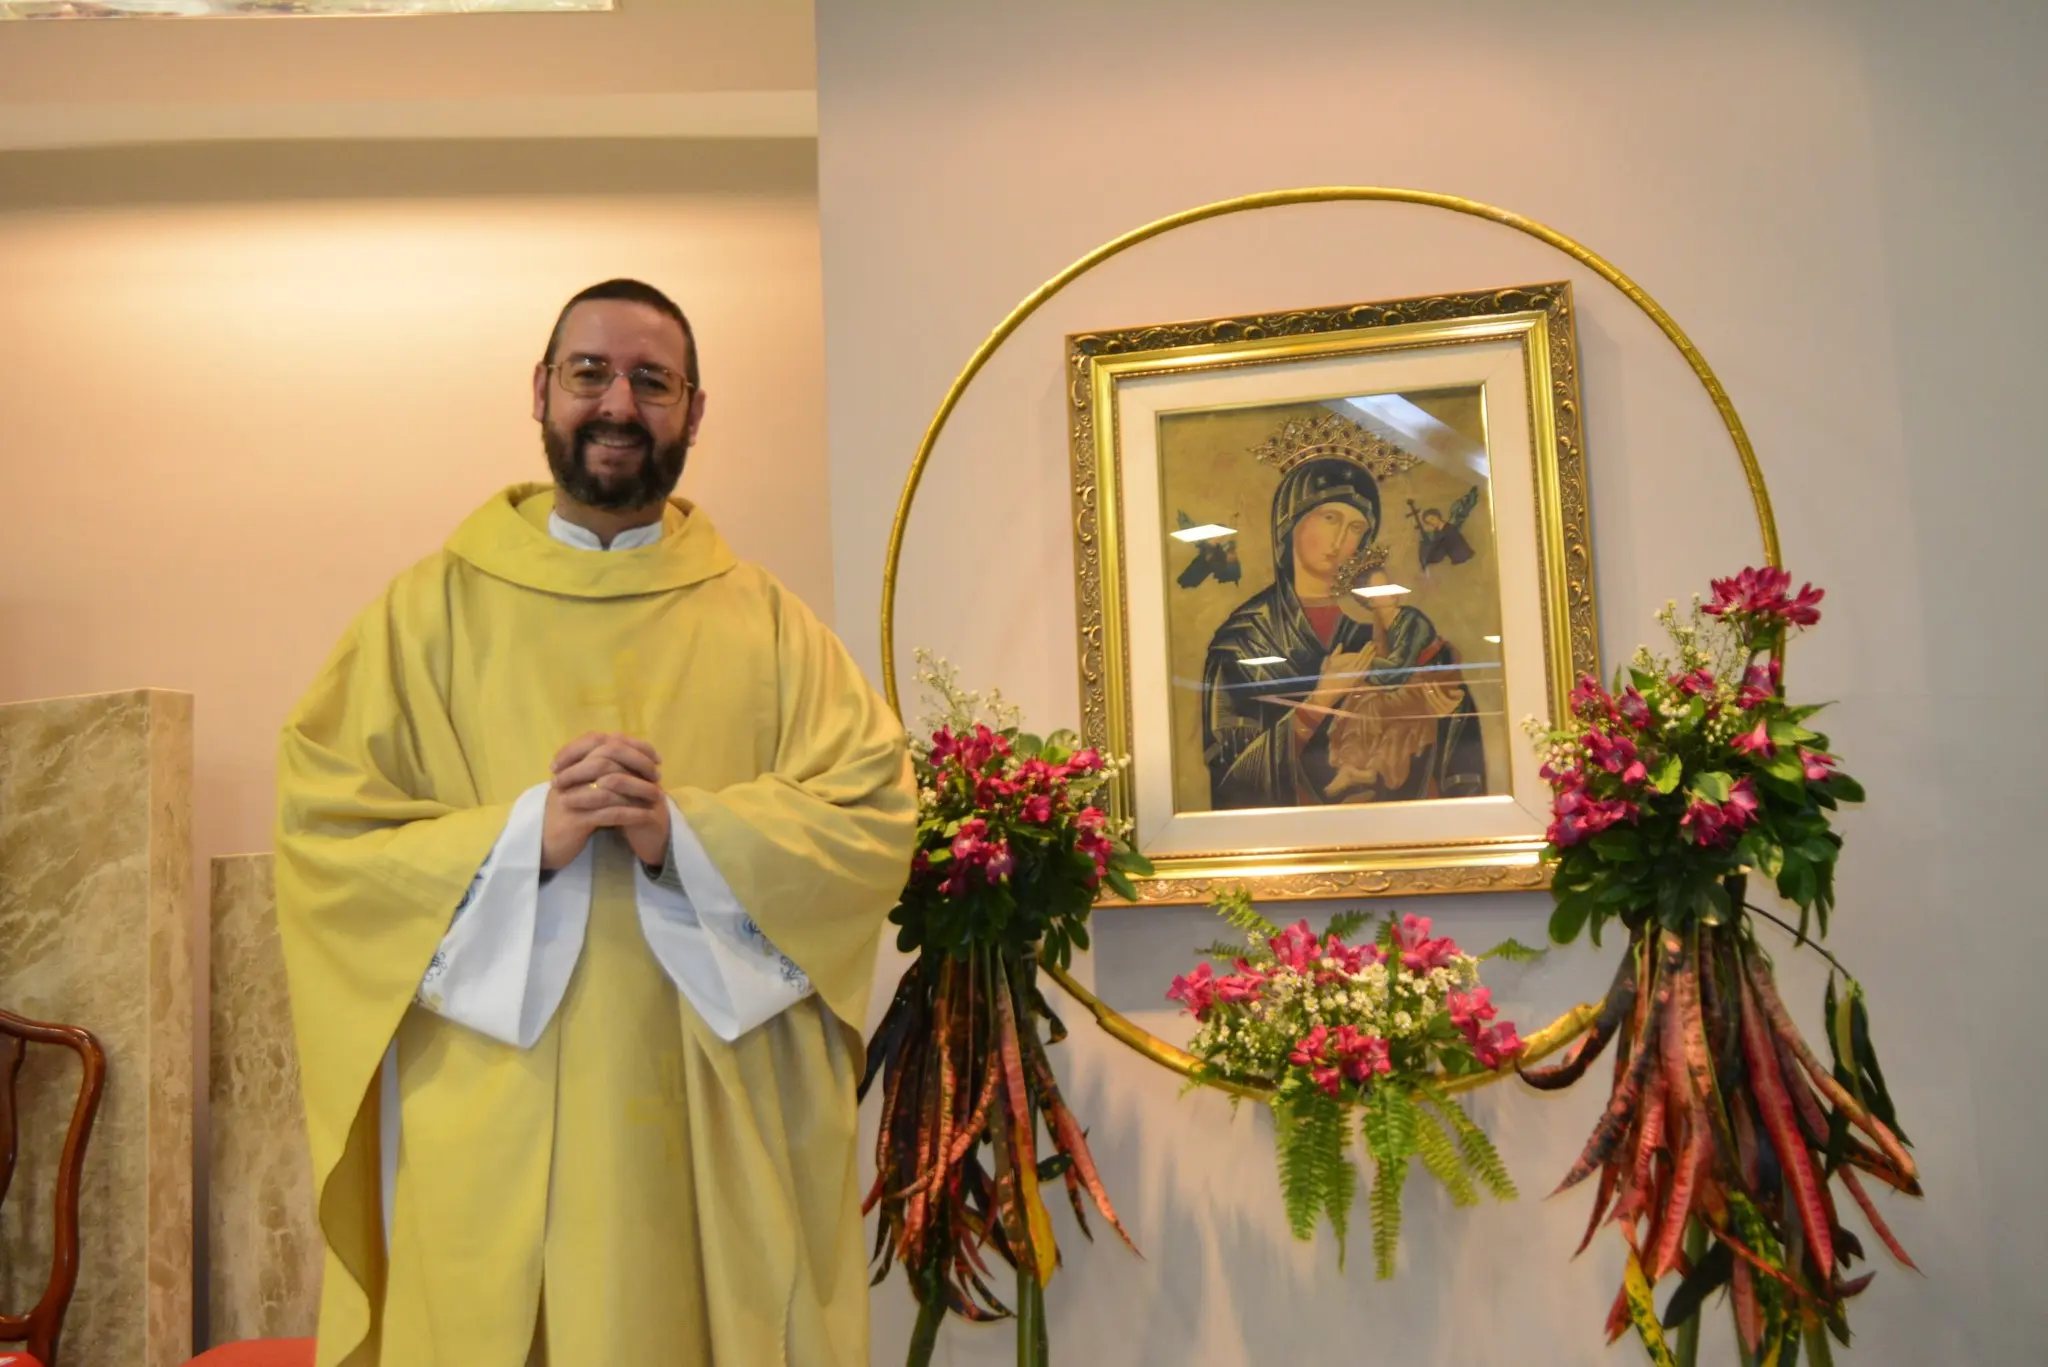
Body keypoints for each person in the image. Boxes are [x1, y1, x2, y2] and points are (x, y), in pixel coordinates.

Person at [274, 279, 917, 1367]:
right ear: (541, 389)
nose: (616, 402)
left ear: (693, 411)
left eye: (650, 381)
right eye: (590, 372)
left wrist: (688, 836)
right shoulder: (422, 614)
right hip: (492, 1115)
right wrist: (528, 834)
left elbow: (867, 812)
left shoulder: (766, 623)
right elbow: (329, 834)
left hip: (709, 1123)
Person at [1200, 455, 1485, 810]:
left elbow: (1456, 741)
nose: (1340, 539)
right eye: (1330, 518)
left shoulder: (1380, 630)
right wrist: (1319, 701)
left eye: (1355, 528)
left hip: (1399, 834)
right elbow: (1231, 780)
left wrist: (1441, 712)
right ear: (1290, 524)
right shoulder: (1244, 640)